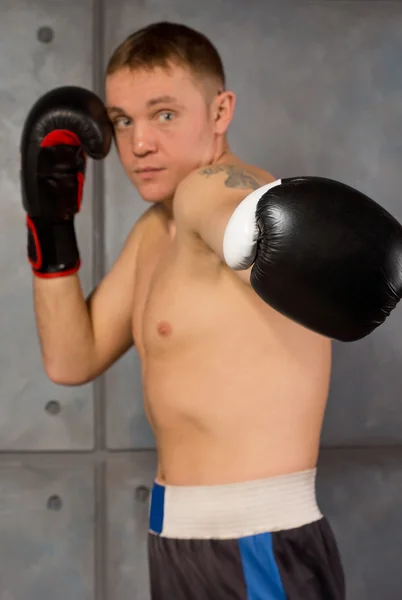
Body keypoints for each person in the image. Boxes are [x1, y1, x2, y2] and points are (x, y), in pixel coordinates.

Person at [19, 21, 402, 600]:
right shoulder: (153, 233)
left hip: (254, 543)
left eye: (164, 114)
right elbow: (71, 359)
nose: (139, 143)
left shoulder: (212, 191)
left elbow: (230, 209)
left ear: (220, 111)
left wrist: (256, 228)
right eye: (123, 120)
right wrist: (51, 228)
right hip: (178, 536)